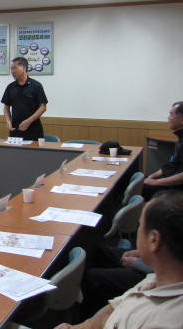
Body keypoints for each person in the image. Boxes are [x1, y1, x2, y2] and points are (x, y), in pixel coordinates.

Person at [54, 190, 183, 329]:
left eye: (140, 225)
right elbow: (115, 307)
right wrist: (80, 327)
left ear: (153, 240)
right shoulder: (157, 278)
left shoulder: (165, 321)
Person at [2, 56, 48, 141]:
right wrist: (8, 121)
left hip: (33, 129)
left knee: (33, 149)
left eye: (14, 68)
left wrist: (28, 121)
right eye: (11, 69)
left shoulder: (36, 85)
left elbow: (43, 107)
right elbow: (6, 107)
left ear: (23, 68)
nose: (12, 71)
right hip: (15, 129)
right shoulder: (10, 87)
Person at [143, 101, 183, 198]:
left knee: (142, 187)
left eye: (171, 114)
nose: (168, 118)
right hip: (172, 181)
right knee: (140, 179)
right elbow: (171, 164)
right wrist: (152, 176)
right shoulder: (180, 138)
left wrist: (156, 182)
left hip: (178, 189)